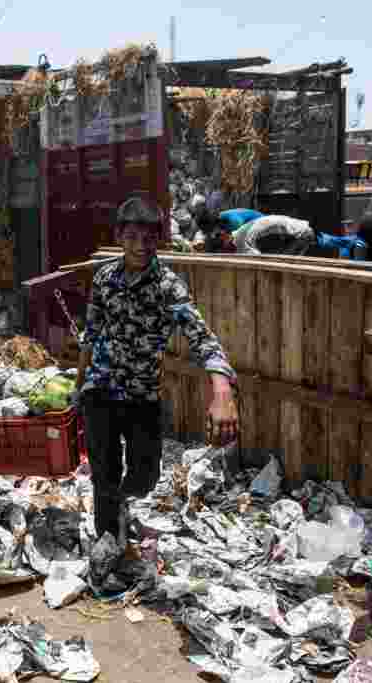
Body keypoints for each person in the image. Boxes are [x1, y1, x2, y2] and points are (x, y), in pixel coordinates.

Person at [76, 195, 240, 541]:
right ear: (119, 236)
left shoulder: (168, 286)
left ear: (158, 239)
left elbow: (202, 339)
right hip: (100, 392)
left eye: (149, 238)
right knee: (103, 478)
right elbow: (90, 334)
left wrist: (222, 391)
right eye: (132, 237)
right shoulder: (104, 278)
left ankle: (123, 505)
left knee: (145, 477)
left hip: (142, 397)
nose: (140, 246)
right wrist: (78, 387)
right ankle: (109, 550)